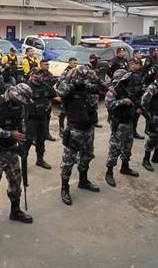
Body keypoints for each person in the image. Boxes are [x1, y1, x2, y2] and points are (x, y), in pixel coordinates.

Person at [0, 83, 34, 248]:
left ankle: (15, 211)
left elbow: (22, 125)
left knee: (16, 183)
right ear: (14, 93)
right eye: (21, 99)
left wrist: (24, 143)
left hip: (12, 151)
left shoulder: (20, 105)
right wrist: (9, 134)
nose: (22, 103)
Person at [57, 65, 104, 205]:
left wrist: (96, 77)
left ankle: (83, 181)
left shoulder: (88, 87)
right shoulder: (68, 89)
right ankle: (64, 188)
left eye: (83, 77)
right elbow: (60, 91)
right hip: (74, 131)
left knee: (86, 157)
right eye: (79, 77)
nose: (82, 80)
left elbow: (106, 88)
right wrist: (68, 75)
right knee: (68, 162)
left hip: (89, 129)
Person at [104, 69, 140, 187]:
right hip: (118, 122)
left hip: (128, 121)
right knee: (115, 147)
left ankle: (125, 167)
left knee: (128, 146)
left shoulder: (127, 88)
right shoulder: (113, 90)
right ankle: (109, 172)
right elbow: (108, 104)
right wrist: (122, 101)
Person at [24, 61, 56, 170]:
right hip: (31, 118)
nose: (39, 76)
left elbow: (53, 94)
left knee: (41, 140)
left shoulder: (44, 85)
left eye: (40, 74)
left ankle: (40, 159)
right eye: (37, 74)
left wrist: (47, 104)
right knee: (28, 141)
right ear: (32, 75)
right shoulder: (26, 87)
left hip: (42, 116)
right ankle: (23, 162)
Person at [57, 57, 78, 134]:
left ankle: (70, 128)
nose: (75, 65)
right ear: (69, 63)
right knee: (63, 113)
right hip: (66, 95)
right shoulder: (66, 72)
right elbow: (61, 83)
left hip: (73, 96)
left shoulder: (76, 71)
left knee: (71, 113)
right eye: (74, 63)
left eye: (76, 63)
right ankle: (61, 129)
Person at [126, 59, 146, 140]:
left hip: (138, 98)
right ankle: (128, 133)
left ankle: (134, 132)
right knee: (129, 117)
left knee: (136, 117)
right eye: (137, 64)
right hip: (131, 99)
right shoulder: (128, 75)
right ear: (132, 65)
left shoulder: (139, 73)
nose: (139, 65)